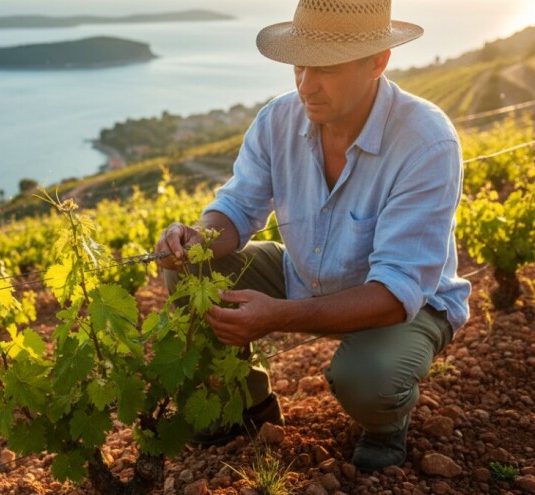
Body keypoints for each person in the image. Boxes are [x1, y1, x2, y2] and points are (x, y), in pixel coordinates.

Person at [155, 0, 471, 472]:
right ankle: (248, 407)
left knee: (370, 379)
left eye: (325, 68)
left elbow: (395, 291)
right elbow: (238, 209)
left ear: (377, 62)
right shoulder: (278, 120)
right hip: (305, 275)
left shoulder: (426, 142)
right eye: (299, 65)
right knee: (194, 270)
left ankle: (385, 424)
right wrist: (194, 238)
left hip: (406, 306)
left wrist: (278, 316)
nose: (306, 84)